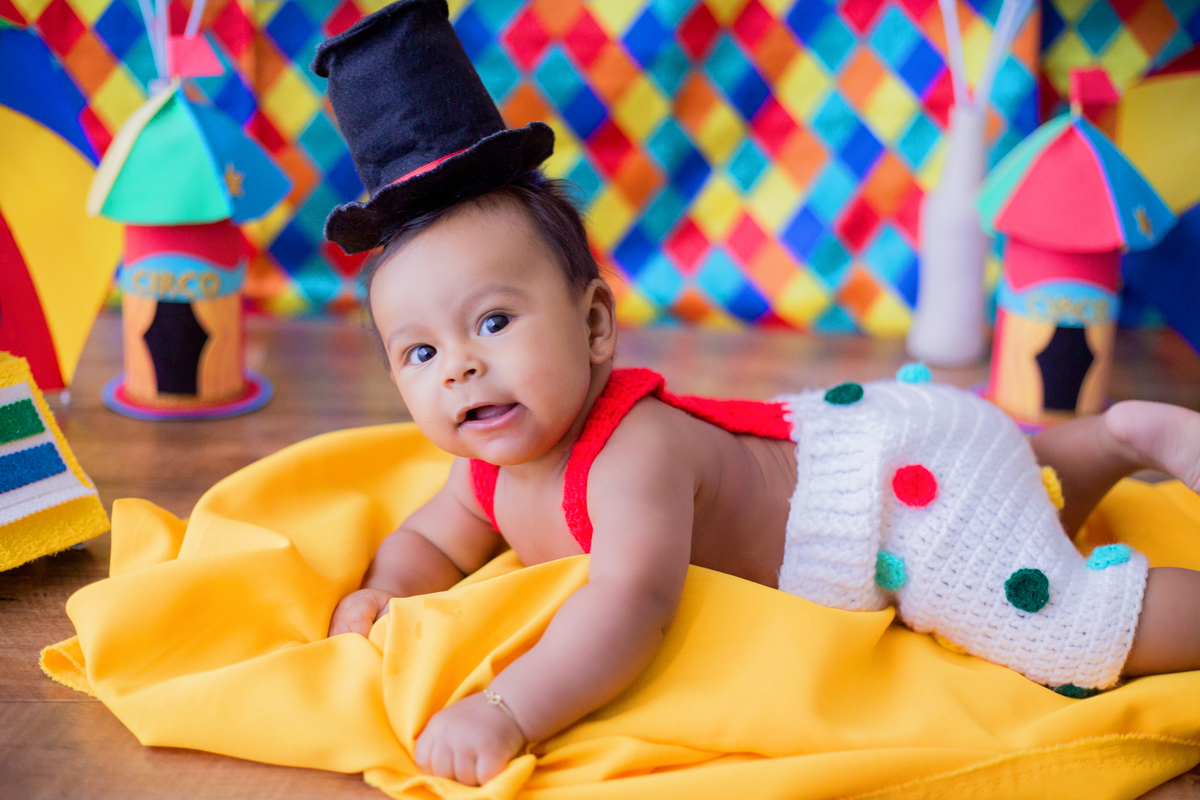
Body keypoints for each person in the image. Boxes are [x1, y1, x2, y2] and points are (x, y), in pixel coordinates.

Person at [313, 0, 1200, 787]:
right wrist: (386, 589)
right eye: (420, 351)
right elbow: (432, 539)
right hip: (887, 435)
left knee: (1058, 635)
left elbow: (629, 606)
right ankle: (1103, 442)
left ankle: (1120, 458)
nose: (459, 367)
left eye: (494, 323)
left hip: (895, 508)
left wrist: (508, 710)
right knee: (1016, 485)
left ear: (594, 327)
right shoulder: (491, 462)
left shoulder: (631, 454)